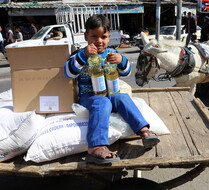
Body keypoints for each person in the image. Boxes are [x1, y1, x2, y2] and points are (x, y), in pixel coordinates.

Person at [64, 14, 160, 164]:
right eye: (94, 36)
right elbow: (68, 72)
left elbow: (126, 72)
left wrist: (122, 61)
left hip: (111, 94)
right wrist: (83, 56)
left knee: (123, 98)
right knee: (102, 103)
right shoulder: (80, 54)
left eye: (103, 37)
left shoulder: (112, 54)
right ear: (86, 36)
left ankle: (143, 130)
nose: (99, 41)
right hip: (89, 97)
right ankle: (96, 146)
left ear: (109, 37)